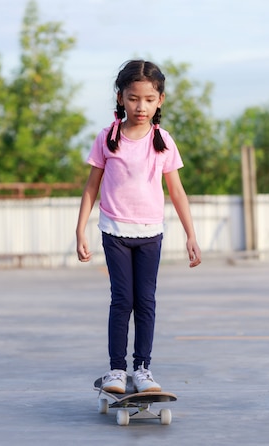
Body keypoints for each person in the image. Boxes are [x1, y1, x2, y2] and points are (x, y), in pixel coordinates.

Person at [76, 59, 201, 394]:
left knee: (146, 301)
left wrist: (191, 235)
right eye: (133, 98)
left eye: (148, 99)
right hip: (114, 231)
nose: (140, 106)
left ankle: (142, 368)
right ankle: (117, 370)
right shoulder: (108, 138)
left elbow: (177, 191)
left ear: (160, 100)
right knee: (122, 300)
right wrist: (80, 230)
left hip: (150, 234)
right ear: (121, 98)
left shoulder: (162, 141)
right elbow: (92, 187)